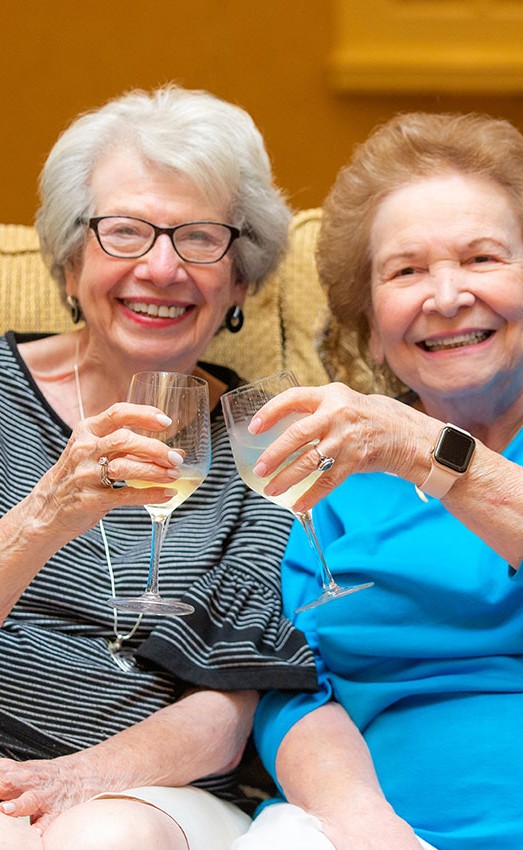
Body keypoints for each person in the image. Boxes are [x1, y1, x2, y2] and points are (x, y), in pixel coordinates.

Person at [0, 84, 318, 850]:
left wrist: (72, 784)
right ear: (70, 260)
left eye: (200, 238)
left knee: (101, 839)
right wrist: (45, 518)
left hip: (162, 794)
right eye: (125, 233)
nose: (162, 268)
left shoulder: (264, 437)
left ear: (240, 279)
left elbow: (233, 700)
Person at [231, 112, 523, 850]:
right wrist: (368, 830)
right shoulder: (328, 479)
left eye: (482, 258)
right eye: (406, 271)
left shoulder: (395, 442)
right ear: (369, 322)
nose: (447, 296)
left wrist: (426, 447)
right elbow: (289, 689)